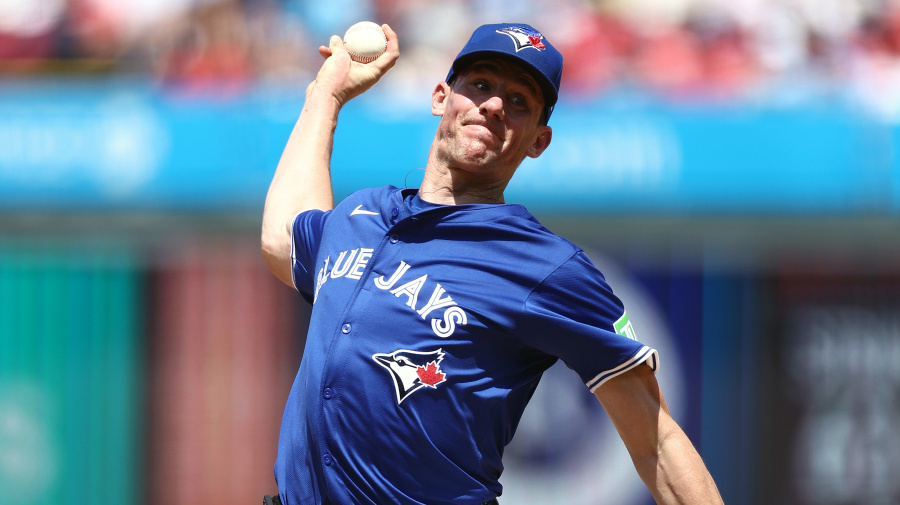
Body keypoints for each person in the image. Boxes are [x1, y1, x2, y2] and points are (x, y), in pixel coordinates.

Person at [260, 22, 723, 505]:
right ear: (441, 97)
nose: (495, 104)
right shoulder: (363, 213)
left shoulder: (545, 267)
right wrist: (325, 96)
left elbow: (657, 439)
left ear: (538, 141)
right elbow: (283, 241)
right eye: (480, 85)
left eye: (519, 101)